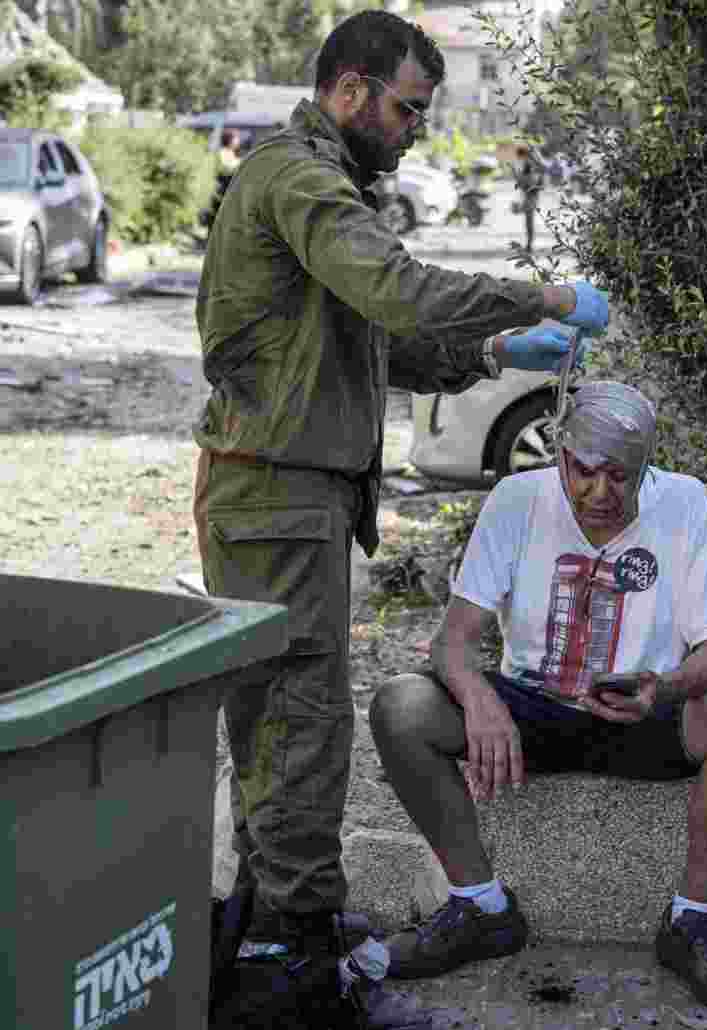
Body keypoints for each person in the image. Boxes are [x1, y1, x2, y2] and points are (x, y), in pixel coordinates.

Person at [192, 6, 609, 970]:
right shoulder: (300, 179)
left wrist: (496, 350)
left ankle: (270, 920)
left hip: (288, 496)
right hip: (277, 495)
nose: (417, 128)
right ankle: (298, 948)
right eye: (410, 109)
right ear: (351, 92)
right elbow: (400, 292)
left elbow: (376, 341)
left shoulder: (316, 179)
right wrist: (539, 295)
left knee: (281, 718)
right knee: (301, 720)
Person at [370, 381, 707, 1012]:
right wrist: (481, 701)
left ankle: (692, 923)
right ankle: (481, 909)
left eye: (620, 476)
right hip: (532, 710)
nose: (599, 493)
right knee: (401, 706)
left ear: (645, 469)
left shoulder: (686, 503)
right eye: (584, 472)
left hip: (645, 713)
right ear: (560, 456)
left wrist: (663, 688)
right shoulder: (516, 500)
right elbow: (453, 642)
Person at [513, 145, 544, 253]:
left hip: (531, 194)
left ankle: (530, 244)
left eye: (520, 156)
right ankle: (529, 243)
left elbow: (530, 181)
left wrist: (519, 178)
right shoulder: (533, 163)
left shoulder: (530, 164)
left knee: (529, 221)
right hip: (531, 194)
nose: (519, 159)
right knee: (529, 220)